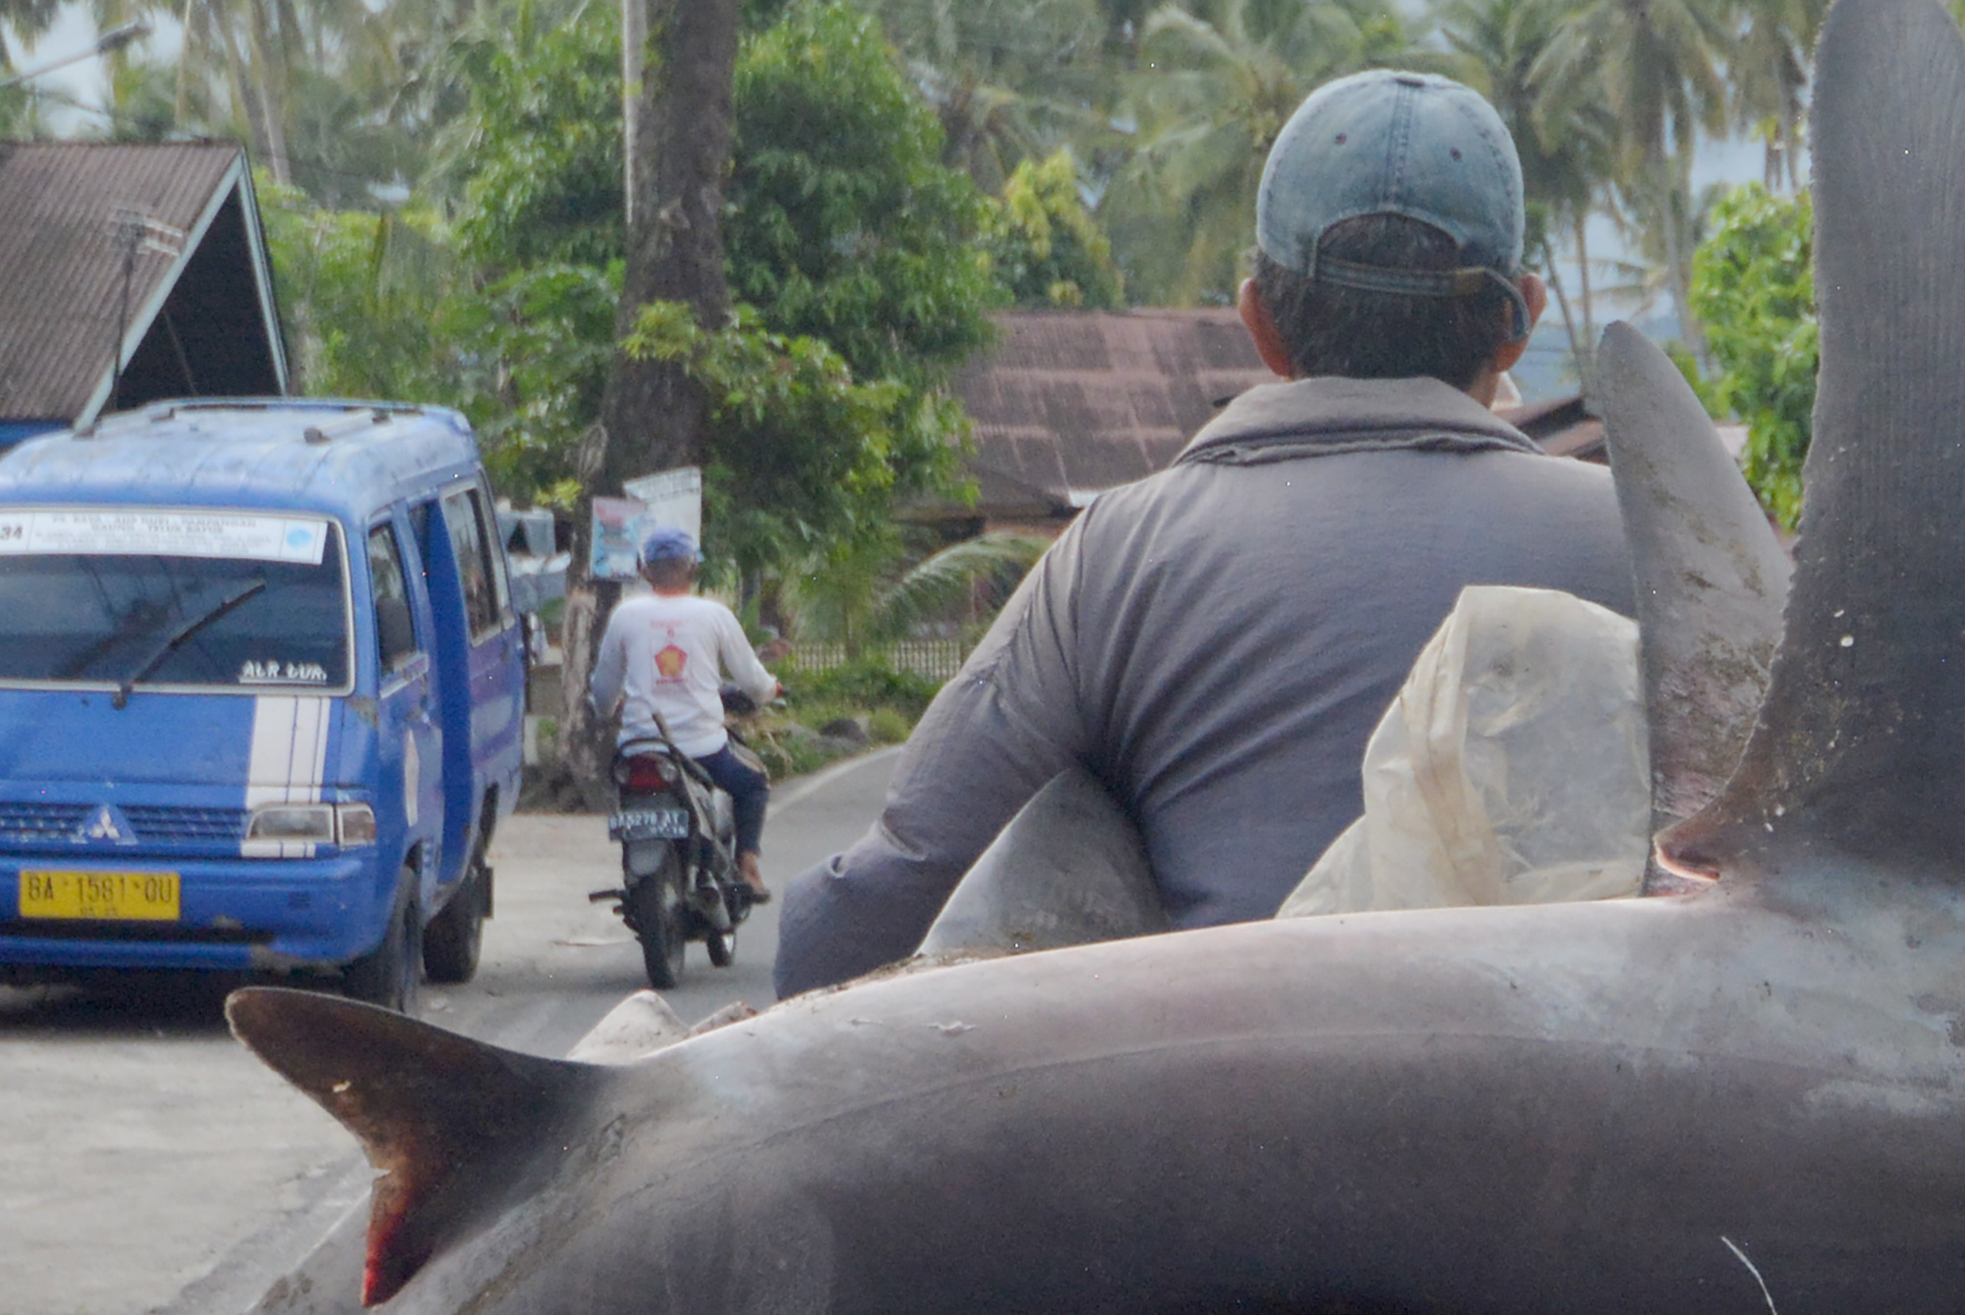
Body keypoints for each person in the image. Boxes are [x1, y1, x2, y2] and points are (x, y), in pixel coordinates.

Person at [776, 68, 1633, 997]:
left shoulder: (1119, 556)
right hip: (1590, 1128)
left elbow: (861, 923)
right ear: (1520, 324)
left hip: (1220, 1132)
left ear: (1259, 319)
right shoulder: (1646, 542)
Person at [590, 525, 783, 897]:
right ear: (692, 569)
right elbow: (753, 682)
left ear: (645, 571)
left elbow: (602, 689)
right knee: (754, 784)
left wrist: (606, 710)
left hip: (641, 749)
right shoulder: (715, 615)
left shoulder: (625, 615)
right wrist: (770, 690)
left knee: (622, 790)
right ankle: (747, 865)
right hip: (704, 751)